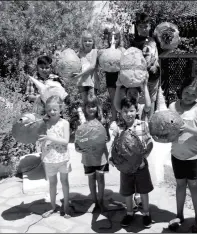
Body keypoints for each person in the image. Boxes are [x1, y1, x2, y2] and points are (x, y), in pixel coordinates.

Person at [167, 78, 197, 233]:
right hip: (176, 154)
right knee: (180, 185)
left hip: (194, 157)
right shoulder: (173, 106)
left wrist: (188, 129)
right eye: (186, 92)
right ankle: (179, 216)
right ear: (181, 90)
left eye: (192, 93)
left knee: (194, 187)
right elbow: (168, 126)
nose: (189, 96)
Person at [109, 97, 154, 228]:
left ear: (136, 111)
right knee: (127, 192)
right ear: (121, 113)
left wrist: (146, 153)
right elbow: (114, 146)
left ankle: (146, 214)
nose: (128, 114)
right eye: (125, 111)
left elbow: (149, 141)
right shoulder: (118, 128)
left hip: (141, 166)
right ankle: (129, 213)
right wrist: (112, 158)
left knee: (144, 191)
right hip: (125, 168)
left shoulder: (143, 125)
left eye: (131, 110)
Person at [38, 95, 72, 219]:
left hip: (63, 159)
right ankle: (53, 207)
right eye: (49, 110)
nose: (52, 112)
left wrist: (49, 138)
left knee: (64, 182)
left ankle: (66, 207)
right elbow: (38, 135)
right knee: (52, 184)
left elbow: (66, 141)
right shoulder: (44, 123)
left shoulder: (65, 123)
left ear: (61, 109)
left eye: (55, 109)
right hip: (49, 159)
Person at [74, 96, 109, 212]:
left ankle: (101, 201)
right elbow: (77, 141)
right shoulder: (81, 123)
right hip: (88, 158)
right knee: (91, 179)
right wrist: (78, 149)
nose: (91, 109)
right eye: (88, 106)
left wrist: (102, 139)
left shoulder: (103, 121)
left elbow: (107, 138)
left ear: (97, 107)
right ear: (85, 108)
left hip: (101, 157)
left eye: (93, 106)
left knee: (100, 179)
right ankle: (95, 203)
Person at [130, 12, 161, 119]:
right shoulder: (135, 42)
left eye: (146, 26)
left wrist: (171, 49)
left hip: (155, 76)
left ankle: (151, 123)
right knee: (142, 101)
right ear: (137, 27)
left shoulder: (154, 40)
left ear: (150, 26)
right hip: (142, 77)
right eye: (141, 26)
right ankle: (141, 123)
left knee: (152, 99)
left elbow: (158, 55)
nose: (144, 29)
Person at [103, 26, 126, 121]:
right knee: (113, 101)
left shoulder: (123, 50)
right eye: (111, 38)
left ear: (119, 39)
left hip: (121, 78)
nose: (113, 41)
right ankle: (113, 121)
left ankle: (122, 121)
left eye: (116, 38)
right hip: (110, 77)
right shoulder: (106, 51)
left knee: (122, 101)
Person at [72, 30, 100, 102]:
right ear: (82, 42)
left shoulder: (94, 51)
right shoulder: (80, 53)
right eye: (85, 41)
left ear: (93, 41)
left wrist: (79, 75)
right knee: (84, 103)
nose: (87, 43)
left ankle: (99, 113)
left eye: (90, 41)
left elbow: (92, 66)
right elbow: (72, 61)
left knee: (92, 102)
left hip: (92, 82)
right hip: (82, 82)